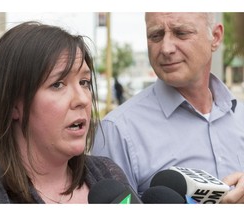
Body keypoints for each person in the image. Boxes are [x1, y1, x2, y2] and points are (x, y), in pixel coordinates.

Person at [91, 13, 244, 203]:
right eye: (156, 35)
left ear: (216, 37)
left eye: (181, 33)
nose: (166, 48)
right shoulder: (117, 131)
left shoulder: (239, 116)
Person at [0, 21, 129, 203]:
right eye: (58, 84)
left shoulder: (107, 174)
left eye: (84, 82)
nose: (83, 100)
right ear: (13, 104)